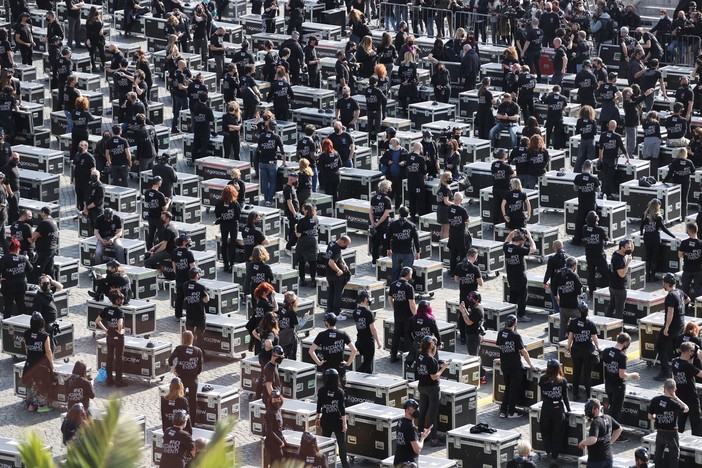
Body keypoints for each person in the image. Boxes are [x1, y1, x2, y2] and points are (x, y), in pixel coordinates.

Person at [656, 273, 690, 381]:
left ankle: (665, 371)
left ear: (666, 283)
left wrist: (666, 327)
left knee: (660, 346)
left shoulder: (670, 296)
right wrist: (681, 309)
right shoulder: (679, 292)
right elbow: (688, 299)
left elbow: (670, 313)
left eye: (663, 283)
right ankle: (679, 368)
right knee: (676, 347)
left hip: (672, 326)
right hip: (681, 324)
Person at [648, 379, 689, 468]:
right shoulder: (674, 403)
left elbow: (650, 417)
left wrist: (658, 416)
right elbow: (686, 408)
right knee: (674, 457)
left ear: (664, 388)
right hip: (672, 433)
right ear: (673, 390)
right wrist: (676, 398)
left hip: (660, 432)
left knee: (658, 456)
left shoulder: (655, 400)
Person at [309, 313, 357, 387]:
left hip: (327, 368)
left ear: (326, 323)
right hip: (340, 368)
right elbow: (354, 350)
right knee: (341, 390)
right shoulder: (343, 334)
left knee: (328, 389)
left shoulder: (321, 335)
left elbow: (311, 350)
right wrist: (348, 363)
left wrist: (319, 362)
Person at [602, 333, 640, 426]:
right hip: (618, 386)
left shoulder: (606, 351)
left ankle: (609, 429)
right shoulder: (621, 356)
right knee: (616, 411)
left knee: (611, 408)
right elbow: (622, 375)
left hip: (608, 384)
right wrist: (633, 375)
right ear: (626, 343)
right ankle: (614, 432)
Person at [539, 359, 571, 466]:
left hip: (546, 407)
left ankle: (548, 451)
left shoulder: (542, 379)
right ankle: (555, 455)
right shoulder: (562, 381)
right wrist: (569, 410)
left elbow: (542, 393)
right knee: (558, 432)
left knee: (545, 430)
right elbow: (565, 397)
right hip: (558, 408)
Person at [315, 369, 349, 468]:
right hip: (337, 421)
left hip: (325, 420)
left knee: (325, 443)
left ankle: (324, 463)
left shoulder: (321, 390)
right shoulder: (340, 391)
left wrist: (317, 419)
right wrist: (344, 423)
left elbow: (319, 406)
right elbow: (342, 408)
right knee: (341, 443)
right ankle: (345, 464)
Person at [567, 302, 600, 402]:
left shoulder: (573, 322)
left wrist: (568, 347)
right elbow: (595, 338)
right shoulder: (590, 324)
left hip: (576, 350)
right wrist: (598, 348)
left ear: (578, 311)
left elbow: (570, 336)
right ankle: (589, 396)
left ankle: (575, 394)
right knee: (587, 374)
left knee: (576, 372)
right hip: (587, 351)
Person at [169, 330, 203, 423]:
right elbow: (200, 368)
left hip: (182, 379)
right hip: (193, 379)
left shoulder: (179, 349)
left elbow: (170, 359)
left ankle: (180, 420)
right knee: (192, 401)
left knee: (180, 400)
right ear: (192, 339)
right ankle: (193, 422)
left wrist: (174, 370)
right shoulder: (198, 351)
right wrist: (194, 373)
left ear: (183, 339)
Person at [22, 312, 54, 412]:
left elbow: (26, 348)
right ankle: (42, 406)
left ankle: (31, 405)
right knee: (41, 385)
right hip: (41, 366)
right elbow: (48, 351)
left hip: (29, 363)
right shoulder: (44, 336)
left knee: (30, 384)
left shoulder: (26, 333)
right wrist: (52, 364)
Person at [95, 290, 127, 387]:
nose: (122, 301)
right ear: (117, 300)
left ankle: (109, 380)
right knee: (118, 359)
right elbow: (120, 323)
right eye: (121, 299)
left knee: (109, 357)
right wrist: (120, 330)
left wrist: (105, 330)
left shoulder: (107, 309)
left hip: (109, 336)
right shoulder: (119, 311)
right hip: (118, 337)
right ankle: (119, 381)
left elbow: (97, 321)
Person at [504, 229, 536, 321]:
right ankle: (521, 315)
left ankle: (510, 313)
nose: (523, 244)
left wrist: (512, 232)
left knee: (513, 295)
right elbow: (533, 249)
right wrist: (529, 237)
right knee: (522, 296)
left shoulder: (506, 247)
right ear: (518, 241)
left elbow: (507, 240)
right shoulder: (519, 249)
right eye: (522, 242)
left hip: (510, 276)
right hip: (520, 276)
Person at [578, 398, 623, 466]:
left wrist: (583, 442)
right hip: (608, 458)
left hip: (596, 460)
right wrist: (609, 442)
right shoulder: (608, 418)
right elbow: (619, 429)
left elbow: (593, 439)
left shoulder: (596, 422)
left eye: (590, 409)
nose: (588, 411)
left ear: (596, 409)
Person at [640, 199, 676, 282]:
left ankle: (647, 276)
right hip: (655, 238)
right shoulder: (658, 217)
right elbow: (663, 229)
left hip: (647, 237)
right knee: (654, 257)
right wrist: (673, 236)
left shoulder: (645, 215)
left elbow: (641, 226)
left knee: (648, 256)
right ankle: (652, 276)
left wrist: (641, 233)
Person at [672, 341, 702, 435]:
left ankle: (677, 437)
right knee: (696, 421)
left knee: (681, 419)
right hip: (691, 396)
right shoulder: (687, 366)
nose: (693, 353)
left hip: (680, 395)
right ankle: (697, 441)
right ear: (688, 351)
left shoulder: (675, 362)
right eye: (692, 351)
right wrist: (701, 359)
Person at [553, 257, 584, 342]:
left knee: (563, 326)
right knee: (578, 326)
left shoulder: (559, 274)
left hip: (563, 306)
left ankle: (560, 344)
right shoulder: (574, 275)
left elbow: (553, 287)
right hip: (574, 306)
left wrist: (557, 298)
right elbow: (579, 291)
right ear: (574, 265)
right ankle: (577, 343)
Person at [386, 206, 420, 282]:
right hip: (408, 252)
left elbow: (388, 238)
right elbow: (416, 240)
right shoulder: (412, 226)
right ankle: (406, 289)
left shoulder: (393, 225)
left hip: (396, 252)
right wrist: (418, 251)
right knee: (407, 273)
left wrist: (388, 249)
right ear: (408, 215)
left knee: (395, 272)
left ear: (399, 214)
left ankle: (394, 288)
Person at [394, 399, 433, 466]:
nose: (417, 411)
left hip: (398, 462)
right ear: (407, 410)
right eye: (414, 409)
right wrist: (423, 438)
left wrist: (417, 436)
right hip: (408, 464)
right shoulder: (410, 428)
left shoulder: (400, 421)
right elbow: (417, 449)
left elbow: (407, 437)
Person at [0, 238, 31, 318]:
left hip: (8, 285)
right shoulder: (23, 258)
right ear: (17, 249)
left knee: (8, 306)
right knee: (21, 305)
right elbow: (30, 269)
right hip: (21, 285)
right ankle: (25, 322)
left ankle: (6, 324)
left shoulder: (5, 258)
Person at [352, 290, 380, 374]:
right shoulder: (368, 313)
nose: (370, 299)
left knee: (368, 365)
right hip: (368, 342)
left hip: (359, 340)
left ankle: (368, 377)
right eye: (369, 298)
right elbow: (373, 329)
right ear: (365, 299)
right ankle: (355, 376)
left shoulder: (355, 312)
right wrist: (378, 342)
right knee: (367, 362)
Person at [572, 161, 600, 245]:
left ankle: (577, 239)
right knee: (592, 222)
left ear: (582, 167)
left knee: (579, 221)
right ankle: (591, 239)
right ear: (590, 168)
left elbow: (575, 188)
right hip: (591, 203)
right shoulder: (594, 178)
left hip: (582, 202)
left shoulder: (578, 177)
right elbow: (598, 190)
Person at [664, 147, 696, 220]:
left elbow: (670, 173)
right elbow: (693, 171)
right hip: (686, 182)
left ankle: (675, 216)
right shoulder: (689, 162)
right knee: (684, 199)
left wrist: (664, 181)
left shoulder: (674, 162)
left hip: (676, 183)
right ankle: (684, 216)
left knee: (676, 199)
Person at [214, 185, 240, 274]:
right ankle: (232, 264)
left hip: (224, 225)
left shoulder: (219, 203)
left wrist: (223, 218)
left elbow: (217, 215)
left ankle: (225, 264)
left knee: (224, 243)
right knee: (233, 244)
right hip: (233, 225)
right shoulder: (235, 203)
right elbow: (238, 216)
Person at [607, 239, 634, 320]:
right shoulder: (618, 259)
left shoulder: (616, 253)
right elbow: (621, 274)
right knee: (619, 310)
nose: (630, 249)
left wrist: (631, 242)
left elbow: (631, 250)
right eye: (628, 247)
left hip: (612, 286)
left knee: (611, 305)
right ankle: (618, 328)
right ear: (622, 248)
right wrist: (627, 263)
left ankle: (607, 319)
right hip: (619, 288)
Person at [324, 236, 351, 316]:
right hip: (336, 276)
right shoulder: (337, 249)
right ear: (342, 242)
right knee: (337, 294)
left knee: (331, 292)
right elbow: (331, 262)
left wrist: (344, 263)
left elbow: (339, 256)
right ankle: (336, 313)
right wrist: (339, 271)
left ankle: (329, 311)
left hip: (329, 274)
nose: (347, 246)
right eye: (346, 244)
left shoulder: (331, 243)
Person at [171, 234, 196, 319]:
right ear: (183, 242)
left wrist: (177, 274)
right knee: (189, 298)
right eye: (188, 240)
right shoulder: (189, 253)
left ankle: (178, 315)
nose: (190, 242)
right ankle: (190, 315)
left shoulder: (175, 251)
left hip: (179, 278)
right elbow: (193, 267)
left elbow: (174, 265)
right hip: (188, 279)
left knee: (179, 297)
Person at [183, 267, 209, 347]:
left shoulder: (185, 285)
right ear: (197, 275)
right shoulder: (201, 286)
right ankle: (199, 351)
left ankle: (189, 348)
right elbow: (206, 299)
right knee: (200, 334)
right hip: (199, 314)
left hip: (189, 313)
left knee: (189, 334)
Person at [143, 176, 170, 250]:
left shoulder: (147, 192)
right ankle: (161, 251)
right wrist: (168, 202)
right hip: (159, 218)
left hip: (151, 217)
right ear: (158, 183)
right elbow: (164, 208)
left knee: (150, 235)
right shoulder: (160, 194)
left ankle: (149, 250)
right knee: (161, 236)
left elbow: (148, 201)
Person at [446, 193, 470, 275]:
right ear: (461, 200)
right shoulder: (462, 210)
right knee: (462, 254)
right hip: (461, 235)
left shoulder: (449, 208)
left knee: (453, 255)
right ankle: (460, 272)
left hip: (452, 234)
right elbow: (468, 220)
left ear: (453, 199)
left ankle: (452, 271)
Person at [491, 149, 514, 225]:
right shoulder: (506, 166)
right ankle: (505, 223)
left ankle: (495, 223)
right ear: (504, 156)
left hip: (495, 188)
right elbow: (513, 174)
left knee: (496, 207)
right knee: (505, 207)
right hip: (505, 190)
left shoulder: (493, 164)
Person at [542, 85, 567, 150]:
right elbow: (564, 109)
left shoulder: (549, 97)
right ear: (560, 90)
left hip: (550, 117)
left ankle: (546, 147)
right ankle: (556, 149)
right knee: (557, 134)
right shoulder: (563, 98)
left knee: (547, 133)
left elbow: (547, 107)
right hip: (559, 118)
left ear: (553, 91)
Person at [318, 139, 342, 207]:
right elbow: (340, 164)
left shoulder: (323, 156)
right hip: (337, 176)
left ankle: (329, 208)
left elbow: (320, 167)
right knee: (335, 192)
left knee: (328, 194)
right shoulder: (336, 153)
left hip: (328, 177)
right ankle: (335, 207)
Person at [436, 172, 454, 240]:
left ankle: (441, 244)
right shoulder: (446, 189)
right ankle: (445, 244)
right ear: (444, 179)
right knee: (447, 229)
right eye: (449, 178)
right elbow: (446, 201)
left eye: (451, 178)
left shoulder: (440, 187)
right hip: (445, 210)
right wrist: (454, 204)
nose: (451, 179)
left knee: (442, 228)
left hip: (440, 209)